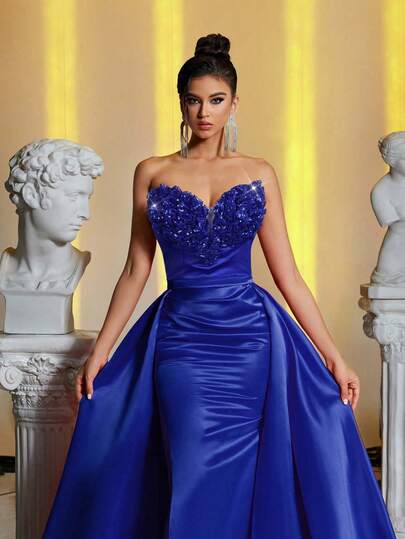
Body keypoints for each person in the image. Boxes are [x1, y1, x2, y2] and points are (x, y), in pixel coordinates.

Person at [42, 33, 396, 538]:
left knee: (239, 471)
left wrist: (334, 357)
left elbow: (288, 276)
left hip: (249, 339)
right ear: (180, 104)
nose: (204, 112)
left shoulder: (258, 173)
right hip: (181, 339)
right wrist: (101, 351)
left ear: (234, 103)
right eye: (193, 100)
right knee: (192, 459)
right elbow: (136, 270)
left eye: (215, 100)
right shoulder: (152, 171)